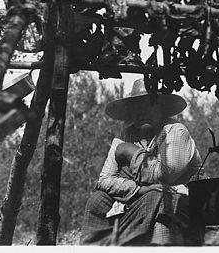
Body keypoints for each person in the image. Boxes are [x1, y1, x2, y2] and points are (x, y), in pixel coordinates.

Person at [82, 79, 204, 246]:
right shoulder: (125, 135)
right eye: (136, 107)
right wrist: (139, 189)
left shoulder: (175, 131)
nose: (142, 112)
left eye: (149, 105)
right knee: (98, 200)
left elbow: (164, 174)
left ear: (161, 108)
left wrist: (129, 151)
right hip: (140, 198)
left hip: (181, 202)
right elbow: (104, 180)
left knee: (158, 197)